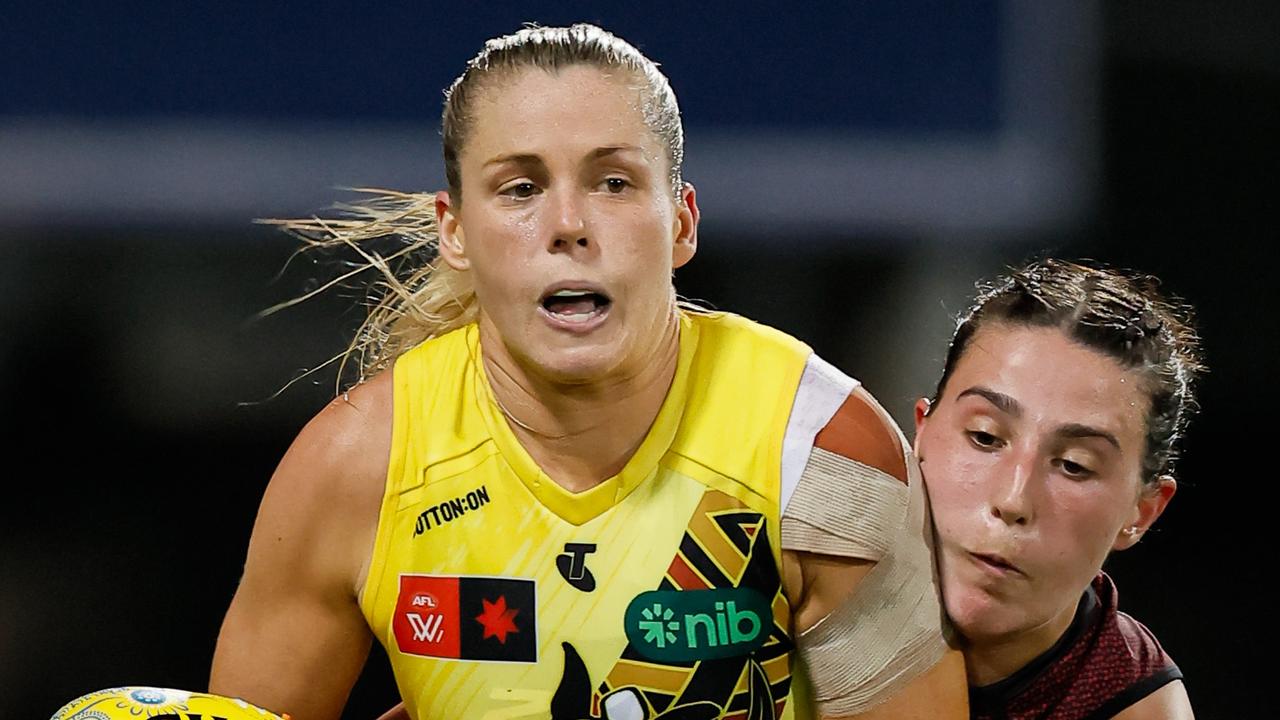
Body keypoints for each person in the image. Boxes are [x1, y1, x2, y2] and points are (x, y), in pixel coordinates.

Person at [206, 23, 966, 720]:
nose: (569, 226)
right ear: (456, 231)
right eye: (521, 188)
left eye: (613, 182)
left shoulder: (820, 454)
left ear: (681, 222)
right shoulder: (354, 469)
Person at [912, 259, 1200, 719]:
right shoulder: (790, 577)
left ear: (1142, 512)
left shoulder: (1132, 708)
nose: (1012, 501)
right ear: (921, 434)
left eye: (1073, 465)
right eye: (985, 437)